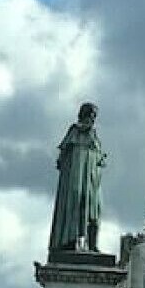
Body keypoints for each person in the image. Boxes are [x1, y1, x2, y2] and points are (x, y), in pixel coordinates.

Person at [48, 103, 106, 254]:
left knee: (95, 210)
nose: (92, 119)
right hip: (76, 176)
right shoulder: (74, 132)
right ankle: (70, 240)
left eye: (94, 117)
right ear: (83, 115)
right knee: (74, 203)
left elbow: (100, 160)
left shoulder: (94, 135)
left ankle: (92, 245)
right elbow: (62, 159)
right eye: (90, 115)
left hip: (92, 179)